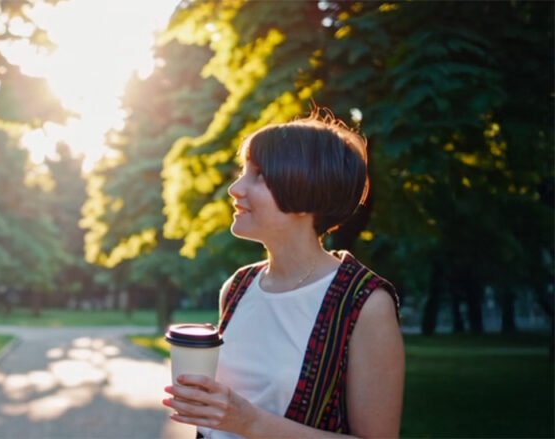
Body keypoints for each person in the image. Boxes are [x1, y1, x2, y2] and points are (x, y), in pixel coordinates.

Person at [163, 113, 404, 438]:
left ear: (306, 191)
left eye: (259, 175)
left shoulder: (364, 304)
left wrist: (249, 421)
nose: (235, 188)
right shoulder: (238, 287)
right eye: (243, 172)